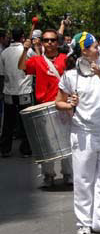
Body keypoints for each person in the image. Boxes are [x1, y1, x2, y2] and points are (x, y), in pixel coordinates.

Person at [55, 32, 100, 234]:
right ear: (84, 50)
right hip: (82, 133)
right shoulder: (70, 74)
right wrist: (68, 103)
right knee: (83, 179)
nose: (99, 48)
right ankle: (84, 222)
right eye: (94, 46)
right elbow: (58, 102)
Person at [18, 28, 72, 186]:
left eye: (53, 40)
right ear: (41, 42)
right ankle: (48, 175)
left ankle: (68, 173)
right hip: (44, 106)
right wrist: (25, 49)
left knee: (67, 141)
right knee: (47, 143)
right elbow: (21, 67)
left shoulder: (65, 59)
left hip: (63, 104)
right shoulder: (37, 60)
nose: (50, 43)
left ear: (58, 42)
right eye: (46, 40)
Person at [0, 28, 33, 158]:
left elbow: (1, 74)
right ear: (22, 37)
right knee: (26, 122)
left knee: (8, 121)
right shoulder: (28, 51)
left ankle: (5, 148)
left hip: (9, 90)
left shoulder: (5, 52)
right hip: (24, 90)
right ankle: (25, 149)